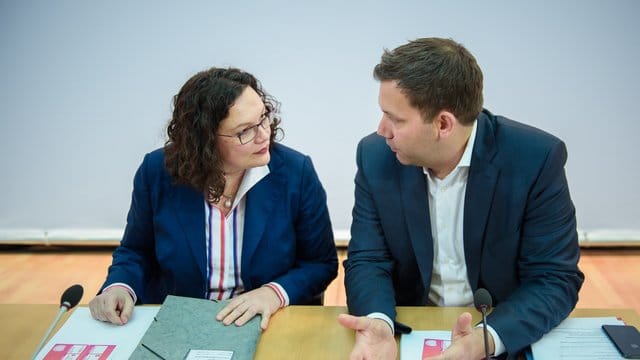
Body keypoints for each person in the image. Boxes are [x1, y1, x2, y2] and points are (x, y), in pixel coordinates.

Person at [337, 37, 584, 359]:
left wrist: (486, 339)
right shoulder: (375, 155)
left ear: (443, 124)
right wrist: (378, 320)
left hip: (501, 328)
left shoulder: (535, 159)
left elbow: (554, 278)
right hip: (408, 331)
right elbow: (368, 259)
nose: (382, 130)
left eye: (395, 119)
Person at [89, 67, 338, 331]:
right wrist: (120, 287)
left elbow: (320, 263)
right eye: (245, 131)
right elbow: (136, 251)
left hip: (264, 322)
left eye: (263, 117)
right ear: (205, 140)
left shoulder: (295, 172)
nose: (265, 134)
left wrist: (273, 293)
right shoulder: (156, 171)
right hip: (180, 320)